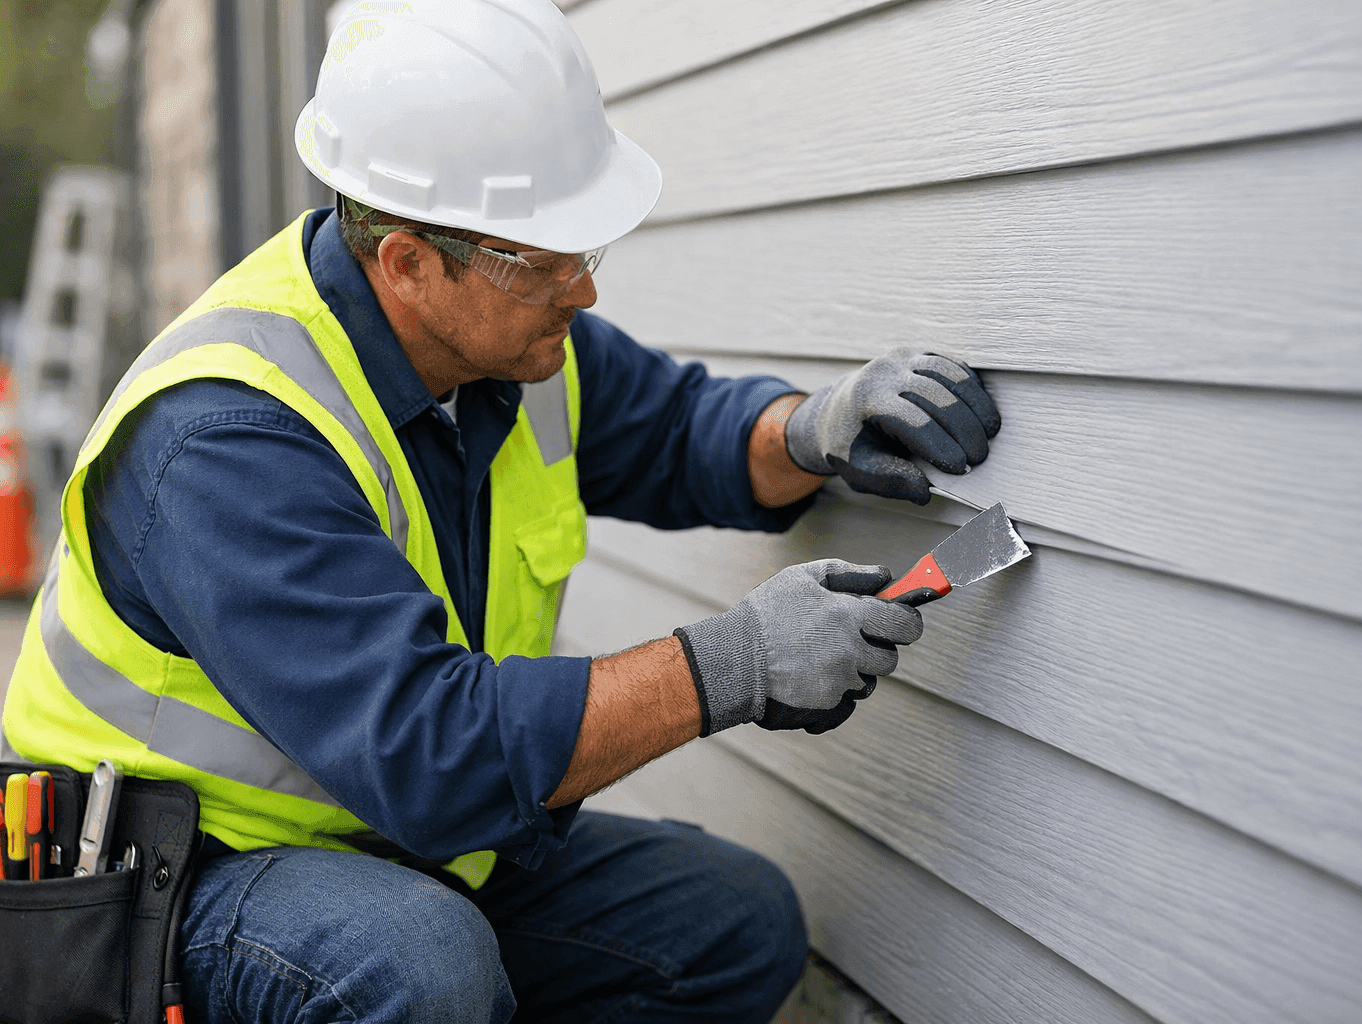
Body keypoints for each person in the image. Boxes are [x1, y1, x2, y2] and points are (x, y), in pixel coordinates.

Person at [1, 2, 1001, 1021]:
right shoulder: (228, 439)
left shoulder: (503, 344)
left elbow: (670, 427)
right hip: (173, 886)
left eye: (586, 244)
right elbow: (430, 754)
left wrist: (813, 430)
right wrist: (734, 664)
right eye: (546, 259)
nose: (585, 288)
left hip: (389, 842)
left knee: (731, 923)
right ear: (408, 263)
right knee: (417, 962)